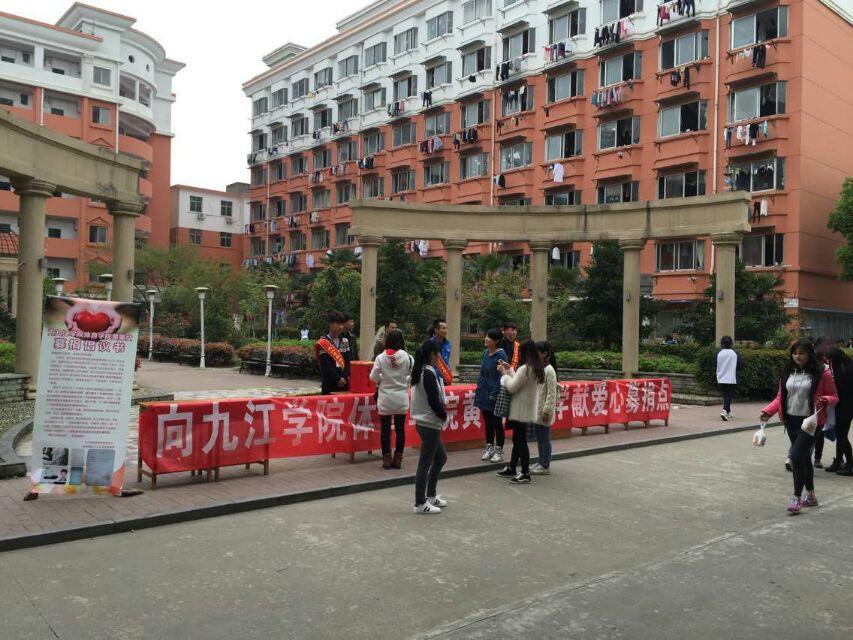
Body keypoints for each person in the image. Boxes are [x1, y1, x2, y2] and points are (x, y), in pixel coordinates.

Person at [760, 340, 838, 514]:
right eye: (795, 353)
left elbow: (834, 396)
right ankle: (811, 495)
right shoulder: (787, 371)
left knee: (795, 456)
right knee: (803, 458)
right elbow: (781, 397)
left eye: (802, 353)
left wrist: (825, 400)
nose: (798, 357)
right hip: (791, 420)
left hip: (811, 422)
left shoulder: (822, 372)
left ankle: (796, 497)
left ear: (809, 354)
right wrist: (768, 411)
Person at [495, 340, 544, 484]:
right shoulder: (536, 367)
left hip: (520, 409)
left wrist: (504, 374)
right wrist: (510, 370)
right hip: (527, 409)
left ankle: (525, 473)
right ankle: (512, 467)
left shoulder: (525, 368)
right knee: (518, 440)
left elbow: (512, 387)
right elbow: (520, 381)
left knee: (520, 441)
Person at [410, 340, 449, 514]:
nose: (439, 356)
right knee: (425, 463)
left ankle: (431, 495)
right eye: (437, 353)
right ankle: (420, 503)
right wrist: (444, 415)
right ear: (432, 354)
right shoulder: (427, 373)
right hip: (429, 423)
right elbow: (434, 401)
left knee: (440, 458)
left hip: (427, 422)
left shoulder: (423, 371)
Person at [369, 329, 413, 470]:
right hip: (401, 398)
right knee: (400, 430)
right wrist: (405, 381)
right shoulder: (408, 358)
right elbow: (414, 376)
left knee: (385, 430)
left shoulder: (380, 358)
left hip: (385, 398)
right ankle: (398, 458)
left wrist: (383, 379)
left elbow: (373, 377)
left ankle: (386, 459)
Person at [473, 328, 508, 463]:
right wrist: (479, 387)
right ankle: (489, 448)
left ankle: (499, 450)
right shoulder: (485, 353)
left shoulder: (501, 354)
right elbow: (482, 373)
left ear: (496, 341)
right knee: (487, 422)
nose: (486, 339)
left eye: (489, 337)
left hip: (495, 394)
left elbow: (501, 376)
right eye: (486, 336)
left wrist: (494, 392)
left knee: (497, 423)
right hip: (484, 392)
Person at [822, 347, 853, 475]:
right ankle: (839, 461)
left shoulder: (843, 371)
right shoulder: (847, 366)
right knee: (841, 435)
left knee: (842, 436)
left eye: (830, 360)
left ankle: (850, 465)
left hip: (845, 407)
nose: (829, 363)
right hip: (844, 407)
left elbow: (839, 390)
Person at [531, 341, 558, 475]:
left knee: (545, 438)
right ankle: (541, 461)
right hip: (537, 409)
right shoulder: (541, 369)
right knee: (540, 438)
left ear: (545, 354)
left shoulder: (550, 371)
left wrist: (547, 411)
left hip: (544, 411)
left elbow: (551, 394)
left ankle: (545, 465)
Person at [315, 311, 352, 395]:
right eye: (337, 324)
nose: (340, 327)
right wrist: (337, 379)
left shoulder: (345, 341)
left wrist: (344, 377)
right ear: (331, 324)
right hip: (329, 382)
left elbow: (348, 361)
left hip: (344, 383)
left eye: (342, 324)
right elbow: (325, 365)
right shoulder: (323, 342)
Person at [715, 336, 740, 421]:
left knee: (725, 395)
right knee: (728, 395)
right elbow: (740, 364)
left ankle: (728, 411)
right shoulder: (734, 354)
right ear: (731, 343)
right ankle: (724, 411)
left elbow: (714, 364)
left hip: (721, 377)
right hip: (731, 377)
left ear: (722, 343)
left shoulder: (719, 353)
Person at [428, 318, 453, 385]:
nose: (446, 331)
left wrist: (449, 371)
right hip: (433, 379)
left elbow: (447, 360)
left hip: (445, 378)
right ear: (436, 330)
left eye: (446, 328)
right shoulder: (429, 344)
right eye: (443, 328)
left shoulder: (448, 344)